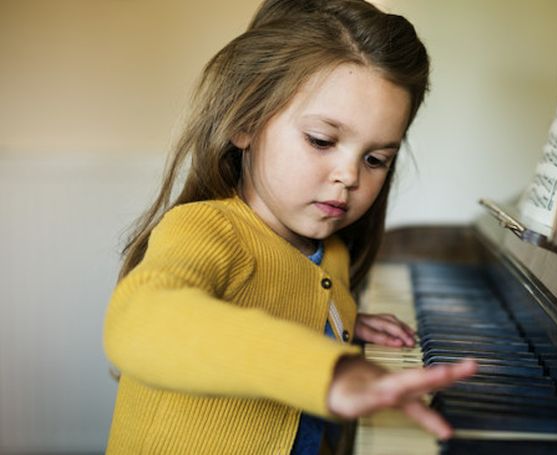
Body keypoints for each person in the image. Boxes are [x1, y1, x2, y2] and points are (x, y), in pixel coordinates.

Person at [102, 0, 477, 453]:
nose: (351, 176)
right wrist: (331, 369)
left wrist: (336, 323)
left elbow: (286, 297)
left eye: (376, 159)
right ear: (246, 121)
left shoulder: (331, 252)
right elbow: (140, 320)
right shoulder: (205, 229)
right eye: (322, 140)